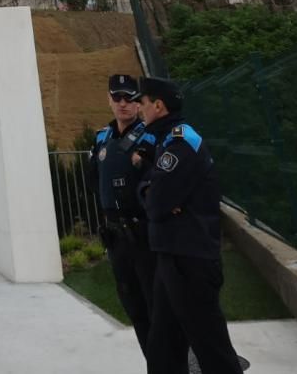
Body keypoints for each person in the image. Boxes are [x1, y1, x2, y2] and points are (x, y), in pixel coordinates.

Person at [136, 76, 243, 374]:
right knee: (163, 346)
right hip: (172, 254)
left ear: (158, 105)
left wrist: (153, 192)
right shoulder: (166, 139)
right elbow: (149, 189)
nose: (139, 110)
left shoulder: (182, 142)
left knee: (211, 348)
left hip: (190, 259)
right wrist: (152, 190)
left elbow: (155, 205)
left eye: (142, 103)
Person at [91, 74, 158, 353]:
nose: (123, 104)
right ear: (108, 100)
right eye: (116, 98)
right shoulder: (102, 139)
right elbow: (93, 182)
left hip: (145, 233)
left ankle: (173, 365)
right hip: (116, 237)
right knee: (133, 304)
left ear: (139, 104)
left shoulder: (152, 136)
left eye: (129, 99)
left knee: (158, 306)